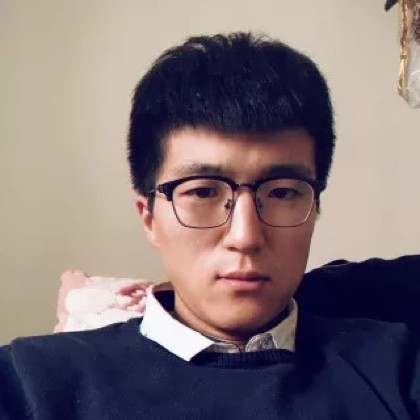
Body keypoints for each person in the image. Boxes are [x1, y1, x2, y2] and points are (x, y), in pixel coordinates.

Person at [0, 32, 419, 419]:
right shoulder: (30, 382)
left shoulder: (397, 368)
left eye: (282, 192)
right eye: (202, 192)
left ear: (316, 207)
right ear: (148, 216)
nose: (245, 237)